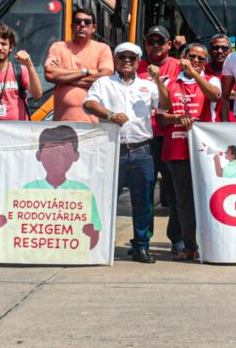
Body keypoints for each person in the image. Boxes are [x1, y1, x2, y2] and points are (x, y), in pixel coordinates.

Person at [84, 43, 170, 263]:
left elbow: (165, 106)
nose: (127, 60)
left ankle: (141, 245)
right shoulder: (104, 83)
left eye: (132, 57)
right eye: (122, 56)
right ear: (115, 59)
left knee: (143, 201)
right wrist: (110, 115)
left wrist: (159, 81)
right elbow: (90, 104)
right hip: (113, 150)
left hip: (141, 149)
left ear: (138, 61)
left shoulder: (148, 85)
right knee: (106, 198)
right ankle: (101, 245)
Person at [158, 43, 221, 260]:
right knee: (183, 201)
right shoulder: (169, 82)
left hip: (205, 151)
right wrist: (177, 117)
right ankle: (189, 245)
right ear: (183, 57)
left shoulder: (212, 80)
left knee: (208, 198)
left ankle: (211, 243)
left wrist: (195, 73)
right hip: (177, 149)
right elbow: (161, 116)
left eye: (201, 59)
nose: (195, 60)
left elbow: (214, 96)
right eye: (191, 56)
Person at [136, 25, 183, 255]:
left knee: (174, 192)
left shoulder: (177, 65)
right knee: (145, 192)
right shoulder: (136, 66)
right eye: (151, 41)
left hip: (171, 136)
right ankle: (143, 240)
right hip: (145, 137)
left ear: (168, 44)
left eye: (160, 41)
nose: (155, 45)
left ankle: (177, 239)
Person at [44, 7, 113, 122]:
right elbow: (50, 74)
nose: (82, 25)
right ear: (71, 26)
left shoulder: (103, 49)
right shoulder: (59, 47)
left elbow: (105, 77)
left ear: (94, 28)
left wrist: (64, 78)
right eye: (78, 21)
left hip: (93, 125)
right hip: (62, 123)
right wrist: (85, 71)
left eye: (87, 22)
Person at [207, 33, 235, 121]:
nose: (220, 51)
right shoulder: (201, 71)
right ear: (209, 51)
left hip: (234, 123)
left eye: (224, 48)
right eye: (215, 48)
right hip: (207, 124)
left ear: (230, 51)